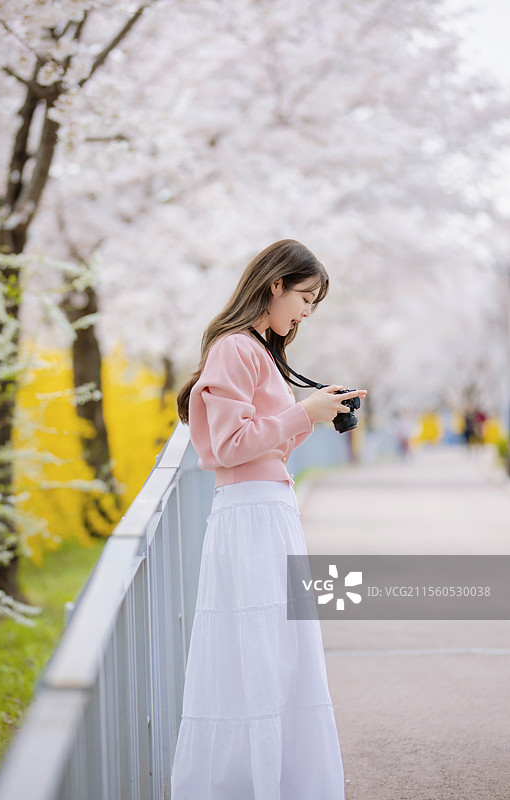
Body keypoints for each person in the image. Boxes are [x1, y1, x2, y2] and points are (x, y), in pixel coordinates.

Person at [171, 239, 367, 800]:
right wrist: (302, 413)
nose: (306, 312)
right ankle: (257, 784)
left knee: (278, 655)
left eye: (314, 304)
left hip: (267, 509)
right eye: (304, 297)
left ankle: (276, 781)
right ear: (275, 284)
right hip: (251, 512)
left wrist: (312, 411)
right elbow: (231, 445)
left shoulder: (257, 350)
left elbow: (267, 443)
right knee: (260, 652)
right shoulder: (235, 347)